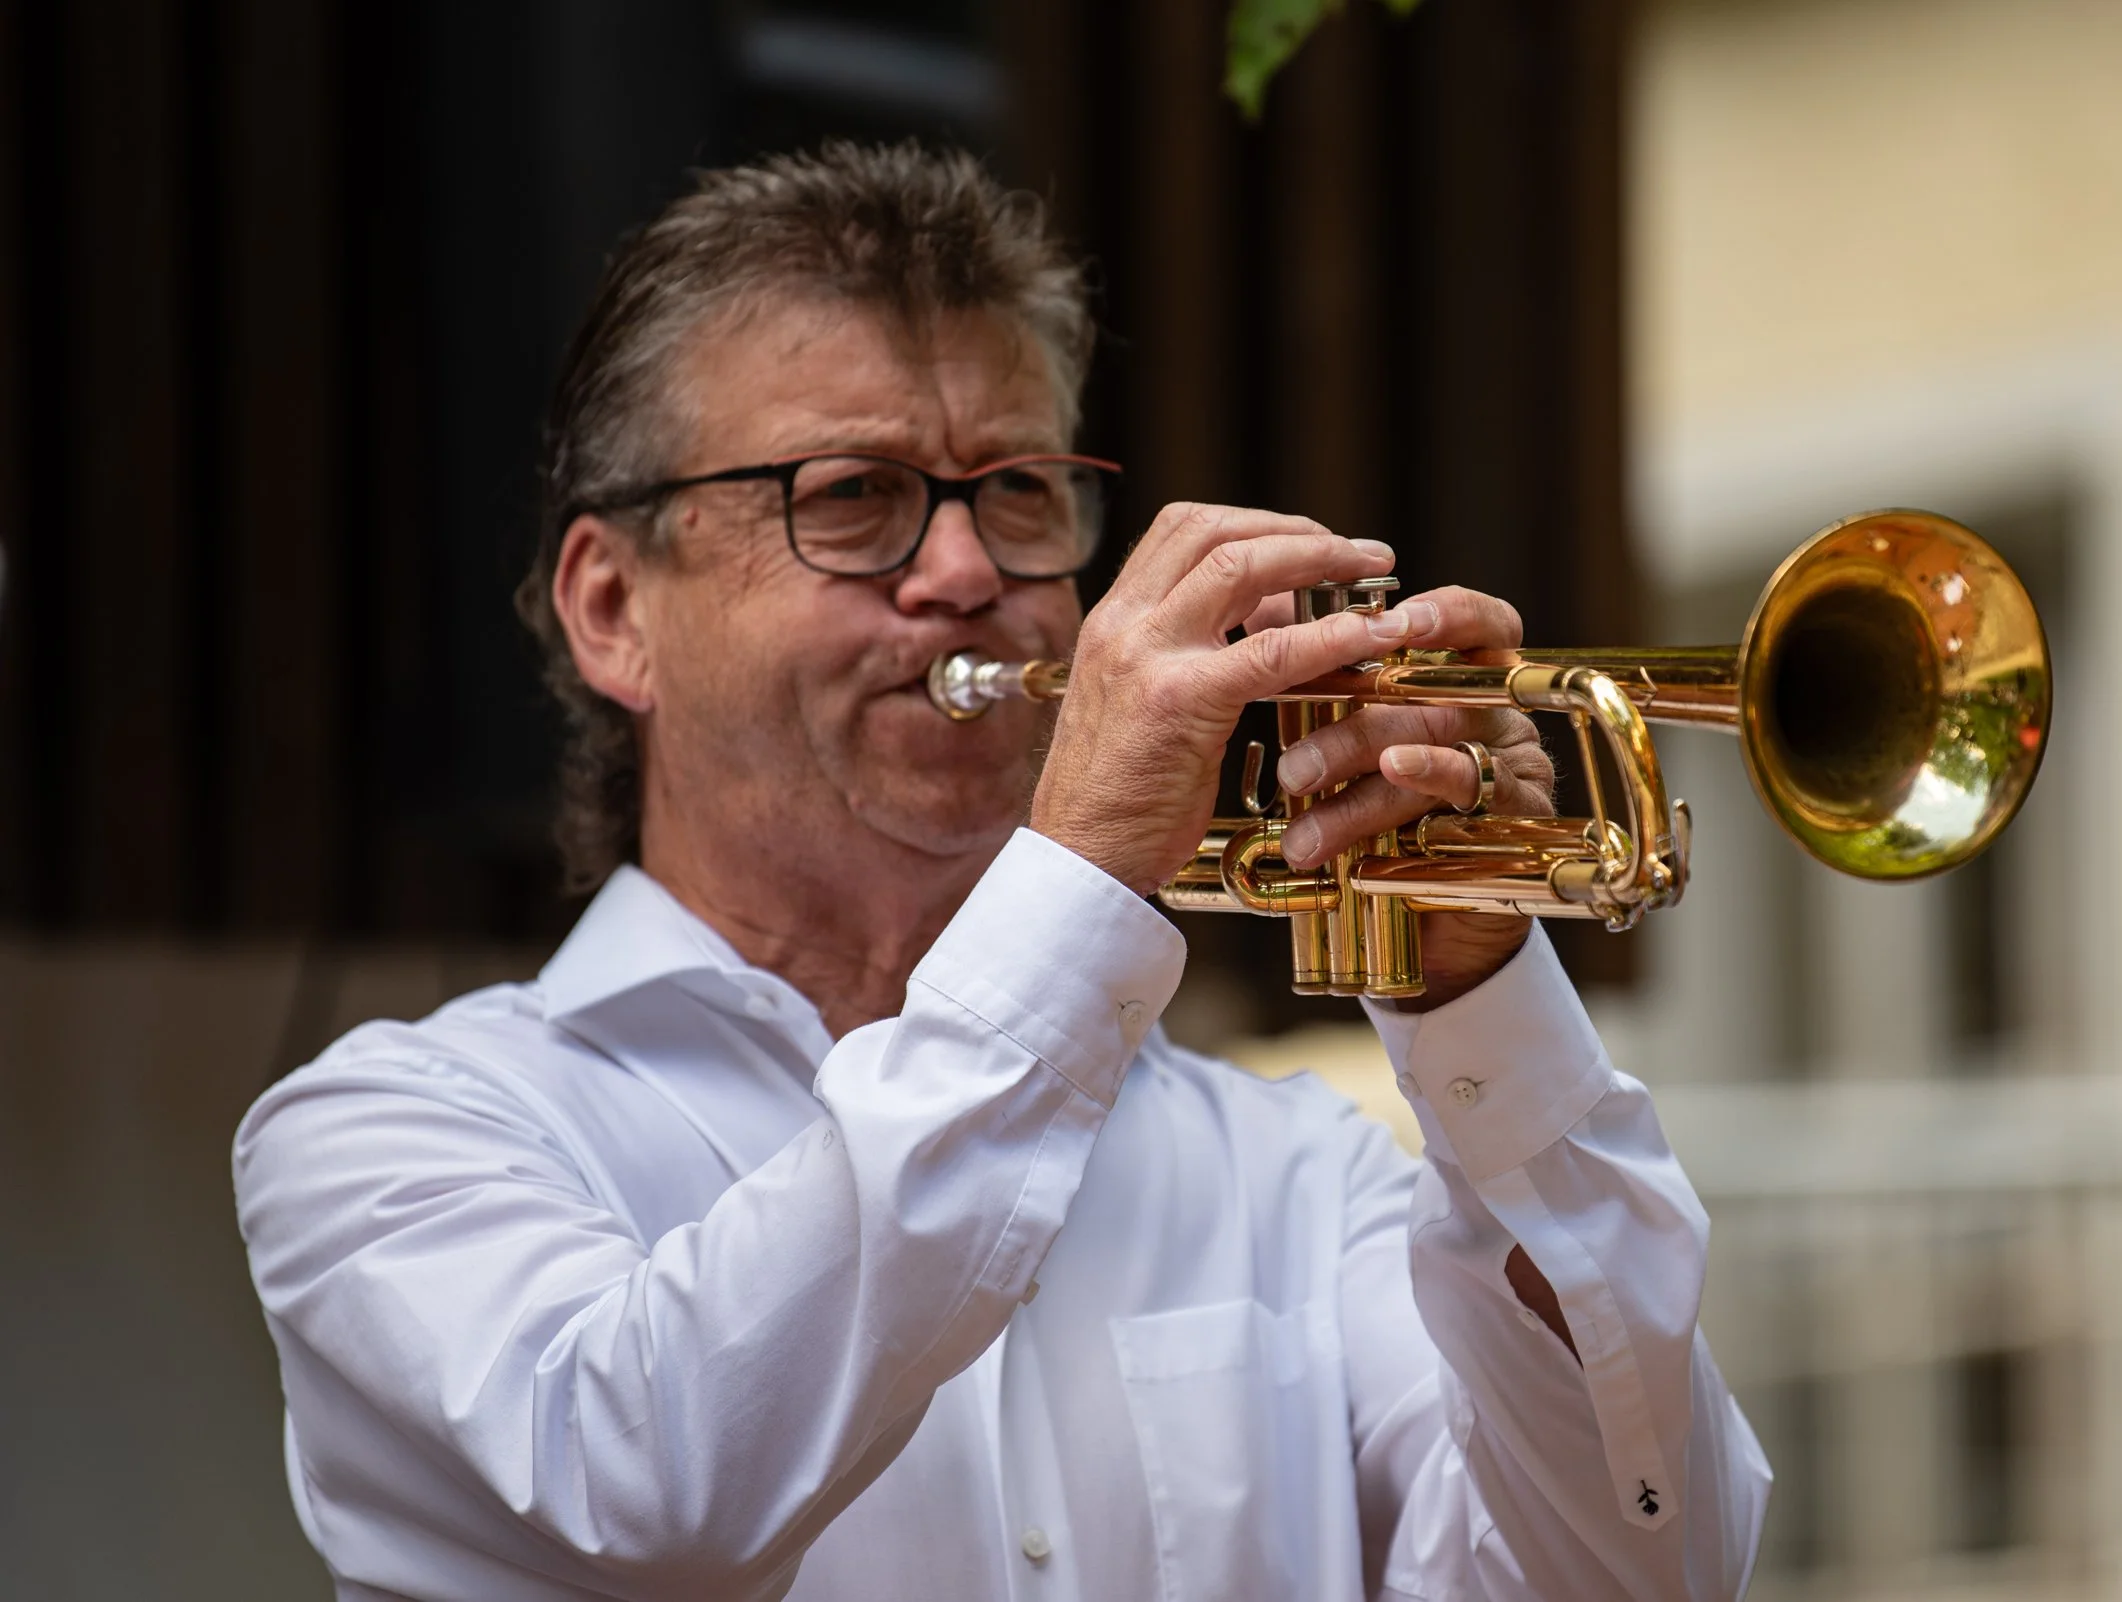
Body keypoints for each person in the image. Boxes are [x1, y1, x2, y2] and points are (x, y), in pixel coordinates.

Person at [234, 142, 1769, 1602]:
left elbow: (1647, 1567)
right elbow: (649, 1488)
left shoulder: (1296, 1174)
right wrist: (1086, 868)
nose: (969, 576)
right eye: (850, 496)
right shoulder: (388, 1134)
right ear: (612, 606)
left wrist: (1480, 1005)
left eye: (1022, 492)